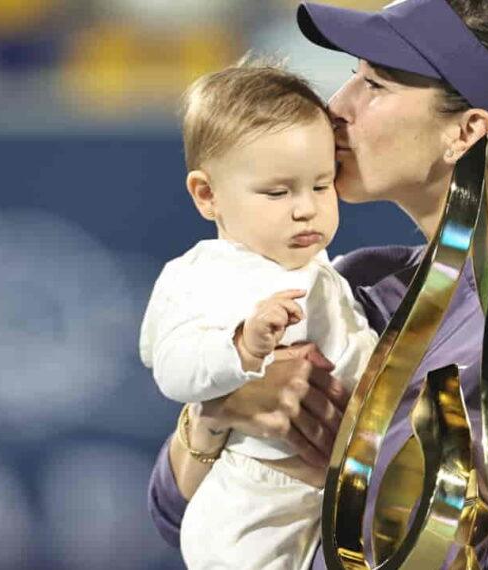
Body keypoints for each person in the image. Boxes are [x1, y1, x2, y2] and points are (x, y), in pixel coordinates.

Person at [148, 0, 488, 568]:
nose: (336, 108)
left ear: (465, 131)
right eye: (350, 78)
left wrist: (386, 495)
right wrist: (220, 412)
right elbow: (172, 511)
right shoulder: (356, 285)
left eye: (375, 85)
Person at [139, 62, 378, 569]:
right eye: (278, 192)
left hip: (332, 497)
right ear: (208, 195)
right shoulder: (206, 274)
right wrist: (242, 348)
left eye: (321, 185)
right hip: (254, 498)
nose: (306, 209)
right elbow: (171, 363)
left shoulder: (327, 271)